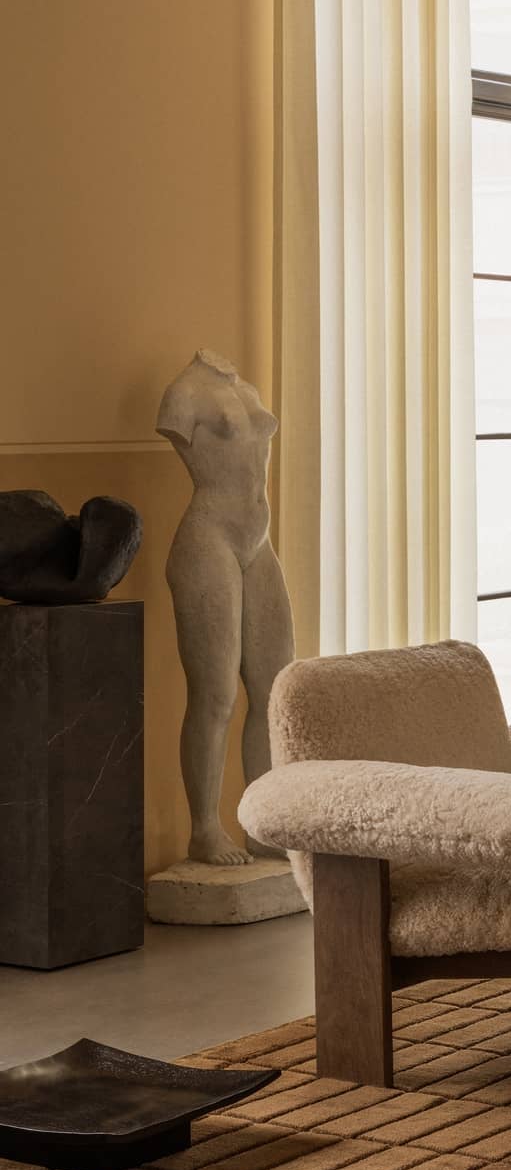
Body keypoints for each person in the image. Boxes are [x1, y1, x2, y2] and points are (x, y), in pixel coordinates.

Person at [157, 348, 294, 866]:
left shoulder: (245, 387)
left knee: (274, 685)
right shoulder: (183, 394)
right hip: (208, 538)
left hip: (256, 543)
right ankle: (204, 830)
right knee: (215, 694)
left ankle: (262, 825)